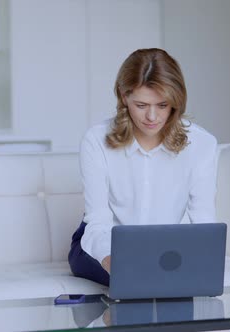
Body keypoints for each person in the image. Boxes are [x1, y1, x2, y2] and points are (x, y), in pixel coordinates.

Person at [68, 48, 218, 286]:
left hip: (163, 246)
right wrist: (115, 264)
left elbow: (203, 220)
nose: (152, 116)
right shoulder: (96, 140)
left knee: (158, 279)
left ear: (176, 102)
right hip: (103, 243)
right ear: (123, 96)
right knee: (137, 280)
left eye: (162, 105)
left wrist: (200, 265)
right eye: (141, 104)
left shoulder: (202, 144)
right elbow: (98, 222)